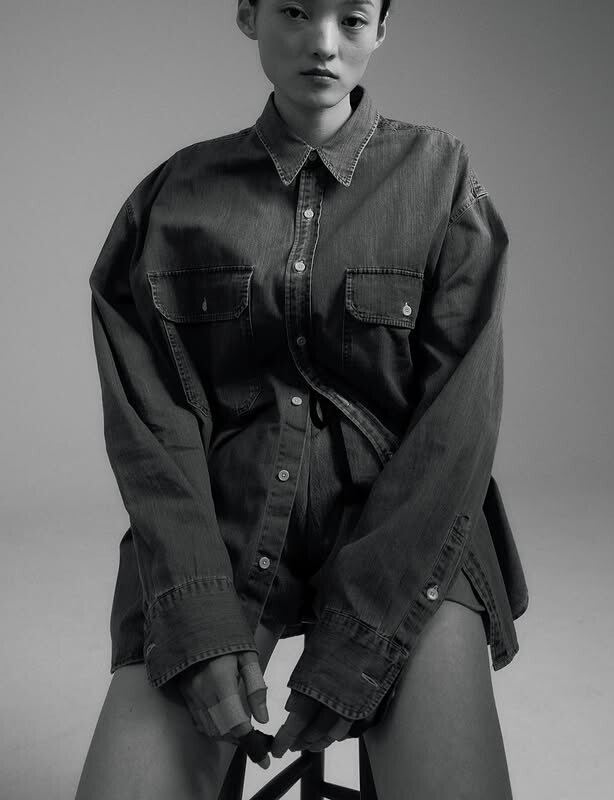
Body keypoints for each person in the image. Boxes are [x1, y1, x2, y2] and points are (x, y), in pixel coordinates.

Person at [75, 0, 529, 797]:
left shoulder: (443, 179)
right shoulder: (173, 198)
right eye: (295, 10)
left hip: (409, 529)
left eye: (351, 18)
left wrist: (363, 642)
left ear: (381, 29)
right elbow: (151, 432)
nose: (323, 42)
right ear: (248, 15)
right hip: (220, 527)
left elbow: (455, 429)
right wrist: (197, 618)